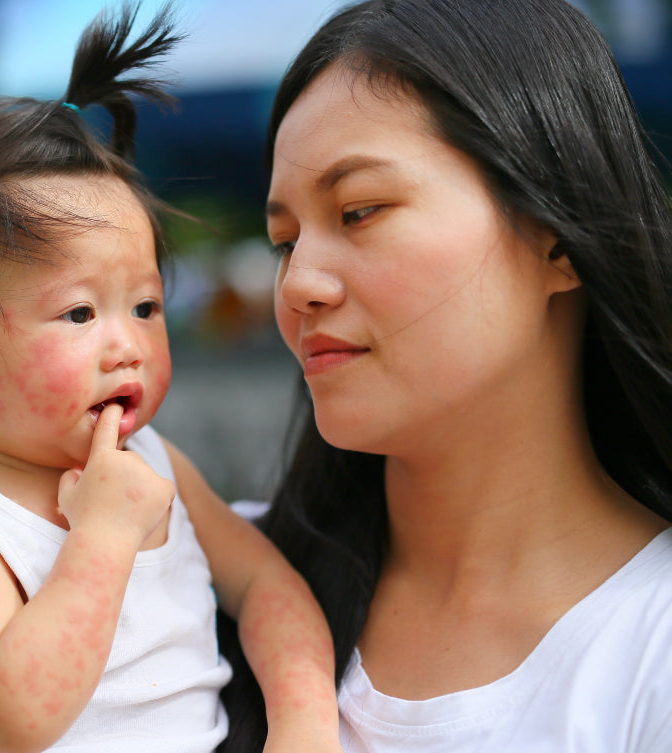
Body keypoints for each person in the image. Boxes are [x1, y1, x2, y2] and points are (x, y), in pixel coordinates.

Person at [0, 5, 341, 753]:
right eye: (79, 312)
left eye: (147, 304)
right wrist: (101, 534)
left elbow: (266, 587)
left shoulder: (155, 461)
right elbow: (18, 716)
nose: (126, 343)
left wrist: (303, 722)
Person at [216, 0, 672, 751]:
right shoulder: (204, 582)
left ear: (556, 235)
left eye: (359, 210)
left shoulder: (648, 646)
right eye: (283, 242)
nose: (298, 283)